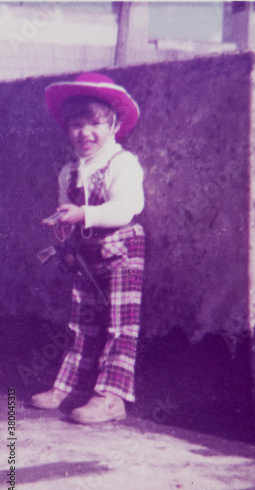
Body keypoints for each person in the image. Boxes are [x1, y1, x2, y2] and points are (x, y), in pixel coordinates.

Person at [31, 72, 145, 424]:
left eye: (95, 123)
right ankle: (72, 386)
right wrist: (63, 226)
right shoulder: (70, 172)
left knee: (118, 325)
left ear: (113, 125)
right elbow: (69, 210)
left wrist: (84, 213)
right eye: (77, 125)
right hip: (87, 254)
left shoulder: (121, 163)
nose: (86, 133)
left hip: (122, 253)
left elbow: (126, 207)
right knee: (81, 322)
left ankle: (111, 397)